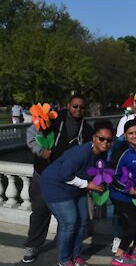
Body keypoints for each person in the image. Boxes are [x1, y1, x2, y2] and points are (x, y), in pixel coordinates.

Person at [23, 95, 94, 263]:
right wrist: (40, 151)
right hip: (44, 175)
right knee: (40, 213)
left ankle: (68, 252)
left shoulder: (88, 130)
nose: (78, 110)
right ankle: (33, 245)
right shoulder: (52, 120)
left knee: (70, 220)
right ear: (68, 105)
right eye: (75, 106)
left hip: (68, 181)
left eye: (82, 107)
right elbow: (31, 133)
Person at [39, 120, 113, 266]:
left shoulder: (102, 154)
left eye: (109, 140)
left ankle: (76, 256)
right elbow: (64, 175)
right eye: (101, 138)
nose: (105, 142)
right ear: (94, 138)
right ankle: (64, 260)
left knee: (83, 221)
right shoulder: (82, 153)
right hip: (55, 185)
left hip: (75, 186)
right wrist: (88, 184)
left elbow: (94, 171)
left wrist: (99, 182)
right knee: (70, 222)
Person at [110, 120, 136, 266]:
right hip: (121, 195)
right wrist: (129, 189)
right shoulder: (122, 152)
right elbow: (111, 177)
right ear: (126, 136)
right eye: (130, 133)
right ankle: (119, 255)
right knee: (135, 222)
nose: (134, 136)